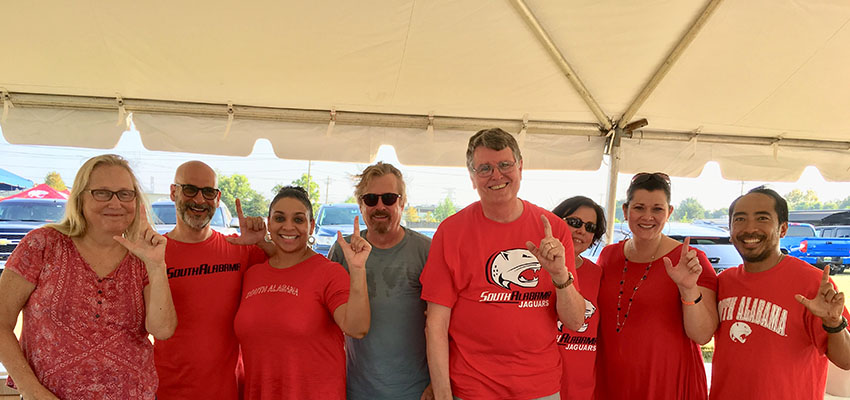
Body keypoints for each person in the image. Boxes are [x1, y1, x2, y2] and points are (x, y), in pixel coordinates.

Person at [420, 128, 586, 400]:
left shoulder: (554, 229)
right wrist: (442, 393)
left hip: (539, 387)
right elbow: (436, 324)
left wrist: (559, 274)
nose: (496, 175)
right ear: (472, 178)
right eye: (484, 168)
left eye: (505, 165)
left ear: (520, 167)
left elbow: (575, 320)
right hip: (472, 387)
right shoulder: (451, 232)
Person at [0, 154, 177, 399]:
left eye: (125, 194)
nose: (115, 203)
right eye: (102, 193)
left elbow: (163, 330)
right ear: (80, 197)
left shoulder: (143, 256)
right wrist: (30, 390)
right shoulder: (43, 245)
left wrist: (157, 266)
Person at [710, 187, 850, 399]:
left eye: (762, 218)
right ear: (730, 230)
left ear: (783, 229)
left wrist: (833, 323)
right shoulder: (723, 282)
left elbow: (846, 360)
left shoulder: (812, 283)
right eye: (740, 219)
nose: (750, 228)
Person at [234, 186, 371, 399]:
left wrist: (358, 269)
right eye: (279, 218)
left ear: (312, 225)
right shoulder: (253, 274)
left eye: (298, 220)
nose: (289, 226)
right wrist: (260, 242)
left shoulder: (328, 272)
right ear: (269, 223)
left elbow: (357, 328)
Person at [595, 172, 718, 400]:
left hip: (667, 383)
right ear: (625, 210)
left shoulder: (691, 260)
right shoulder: (608, 255)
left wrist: (688, 288)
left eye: (657, 209)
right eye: (639, 207)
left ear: (669, 212)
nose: (647, 216)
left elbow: (702, 335)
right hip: (612, 380)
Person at [154, 160, 269, 400]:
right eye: (190, 189)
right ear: (173, 192)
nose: (199, 200)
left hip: (227, 391)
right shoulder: (154, 254)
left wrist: (263, 242)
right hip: (166, 391)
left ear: (217, 199)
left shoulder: (239, 248)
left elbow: (293, 270)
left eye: (208, 192)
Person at [328, 162, 433, 400]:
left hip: (416, 391)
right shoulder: (342, 250)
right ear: (360, 205)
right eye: (370, 199)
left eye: (388, 198)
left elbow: (445, 325)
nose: (380, 206)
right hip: (357, 390)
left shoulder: (426, 251)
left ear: (402, 202)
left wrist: (438, 382)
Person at [551, 196, 606, 400]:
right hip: (537, 386)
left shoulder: (598, 274)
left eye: (590, 227)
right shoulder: (533, 270)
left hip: (581, 389)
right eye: (574, 222)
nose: (582, 231)